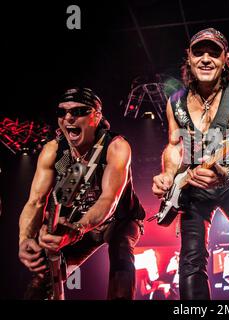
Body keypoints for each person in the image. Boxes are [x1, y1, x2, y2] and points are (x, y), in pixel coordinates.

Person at [152, 28, 229, 300]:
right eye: (199, 52)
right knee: (191, 256)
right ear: (189, 57)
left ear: (225, 58)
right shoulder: (176, 102)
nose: (206, 58)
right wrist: (167, 174)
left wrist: (227, 174)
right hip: (192, 187)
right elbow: (174, 146)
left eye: (214, 52)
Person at [18, 87, 145, 299]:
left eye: (78, 111)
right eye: (62, 112)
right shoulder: (54, 151)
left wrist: (78, 228)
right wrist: (24, 239)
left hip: (119, 220)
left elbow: (108, 200)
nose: (68, 117)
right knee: (43, 278)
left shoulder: (116, 147)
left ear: (96, 116)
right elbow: (35, 202)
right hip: (78, 224)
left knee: (122, 259)